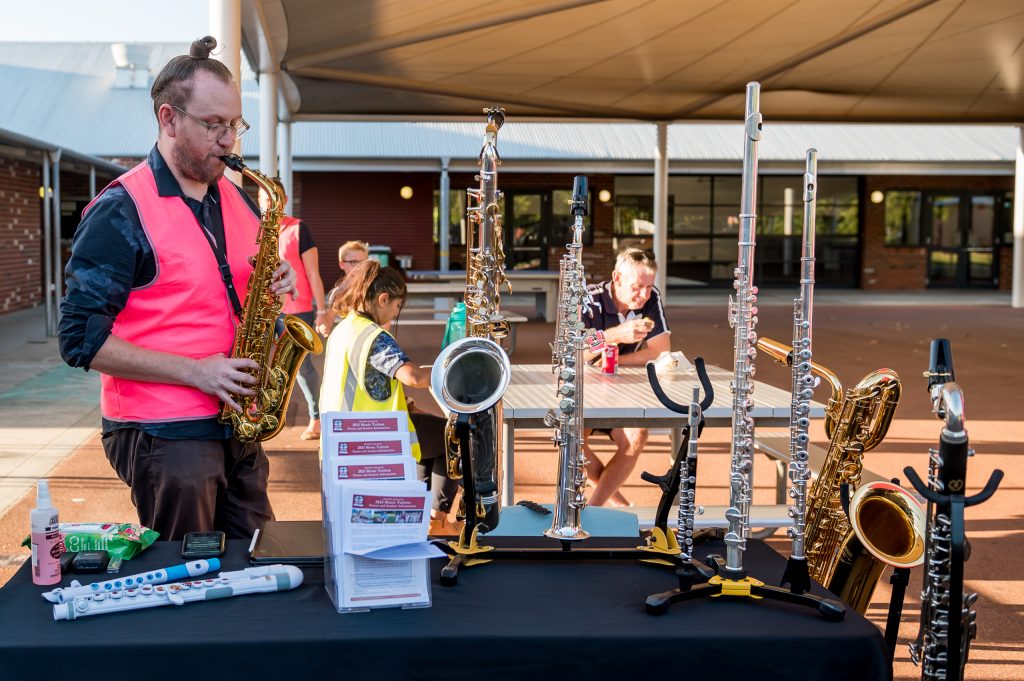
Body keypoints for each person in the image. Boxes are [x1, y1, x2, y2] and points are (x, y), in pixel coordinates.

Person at [57, 36, 296, 541]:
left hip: (238, 423)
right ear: (169, 119)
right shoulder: (119, 210)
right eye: (213, 125)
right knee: (187, 582)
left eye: (235, 124)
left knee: (259, 561)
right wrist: (195, 371)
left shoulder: (241, 199)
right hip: (163, 434)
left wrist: (276, 284)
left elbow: (235, 293)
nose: (229, 140)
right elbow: (80, 340)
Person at [320, 260, 460, 533]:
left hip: (342, 437)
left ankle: (426, 516)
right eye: (396, 307)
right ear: (383, 299)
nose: (395, 315)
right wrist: (454, 371)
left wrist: (407, 405)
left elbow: (363, 380)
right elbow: (412, 377)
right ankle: (438, 520)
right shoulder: (374, 335)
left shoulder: (344, 327)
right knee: (453, 435)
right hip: (375, 438)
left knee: (428, 436)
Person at [581, 248, 671, 507]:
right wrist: (614, 335)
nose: (644, 294)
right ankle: (619, 505)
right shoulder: (590, 298)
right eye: (637, 286)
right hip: (585, 389)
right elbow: (575, 350)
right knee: (574, 439)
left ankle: (593, 509)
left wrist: (615, 360)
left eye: (649, 286)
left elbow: (660, 351)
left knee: (637, 436)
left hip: (621, 389)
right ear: (617, 278)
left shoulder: (651, 297)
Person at [259, 185, 327, 440]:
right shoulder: (255, 229)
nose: (269, 204)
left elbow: (312, 273)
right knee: (261, 362)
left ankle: (316, 417)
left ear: (284, 200)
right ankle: (264, 415)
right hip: (265, 309)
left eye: (274, 198)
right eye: (264, 198)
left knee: (301, 367)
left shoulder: (299, 228)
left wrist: (322, 311)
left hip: (297, 309)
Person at [320, 240, 370, 335]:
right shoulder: (338, 293)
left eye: (363, 262)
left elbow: (384, 323)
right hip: (349, 342)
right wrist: (324, 326)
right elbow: (328, 321)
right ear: (342, 264)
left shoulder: (375, 288)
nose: (359, 266)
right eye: (354, 262)